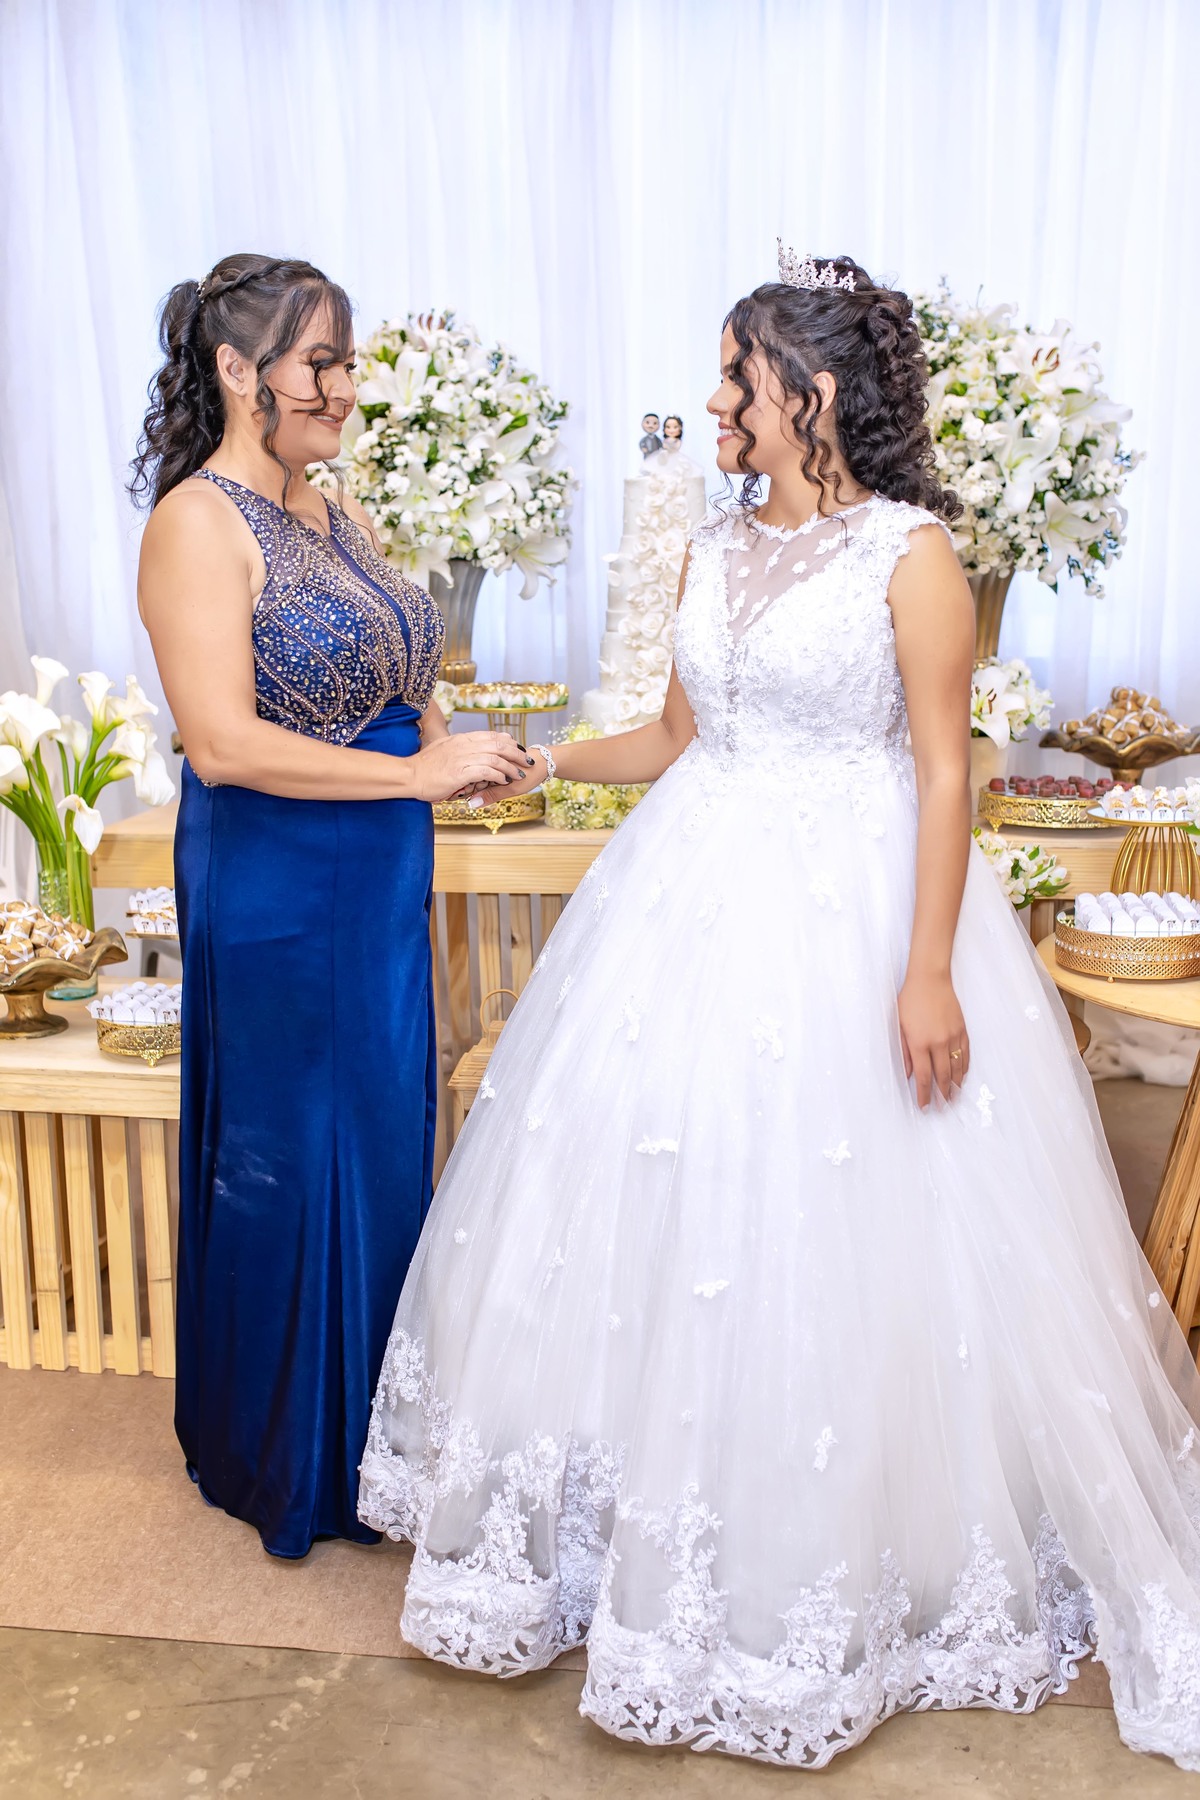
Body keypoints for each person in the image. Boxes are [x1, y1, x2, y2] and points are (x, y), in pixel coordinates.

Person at [359, 250, 1200, 1772]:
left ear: (807, 392)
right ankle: (638, 1544)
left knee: (848, 1218)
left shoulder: (913, 555)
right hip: (687, 894)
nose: (711, 401)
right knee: (659, 1202)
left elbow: (944, 771)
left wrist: (928, 969)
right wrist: (537, 758)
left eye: (733, 376)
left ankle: (854, 1560)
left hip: (855, 902)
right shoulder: (711, 546)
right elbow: (678, 736)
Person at [130, 253, 529, 1559]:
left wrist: (459, 749)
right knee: (294, 1154)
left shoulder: (333, 507)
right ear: (238, 370)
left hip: (376, 875)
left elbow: (401, 675)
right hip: (280, 881)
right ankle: (285, 1456)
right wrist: (412, 775)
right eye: (321, 363)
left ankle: (375, 1439)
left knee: (379, 1134)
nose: (346, 389)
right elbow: (222, 742)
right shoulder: (199, 523)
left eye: (348, 363)